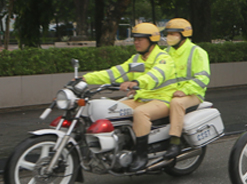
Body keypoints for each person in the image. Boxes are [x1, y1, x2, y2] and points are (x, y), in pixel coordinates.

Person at [82, 23, 177, 171]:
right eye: (135, 39)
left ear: (152, 40)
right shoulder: (136, 60)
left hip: (162, 100)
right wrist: (85, 79)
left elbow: (156, 75)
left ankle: (141, 156)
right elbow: (115, 72)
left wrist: (137, 82)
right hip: (141, 99)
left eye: (140, 39)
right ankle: (121, 146)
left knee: (141, 113)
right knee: (113, 109)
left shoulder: (163, 58)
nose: (136, 42)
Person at [161, 18, 211, 160]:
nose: (169, 37)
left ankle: (175, 142)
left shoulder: (197, 52)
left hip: (193, 94)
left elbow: (203, 78)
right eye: (168, 33)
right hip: (169, 93)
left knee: (177, 103)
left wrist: (185, 90)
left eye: (173, 34)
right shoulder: (166, 52)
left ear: (184, 35)